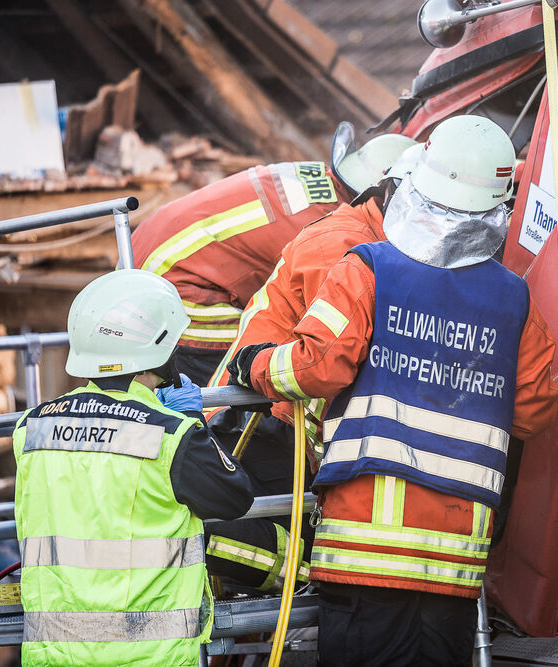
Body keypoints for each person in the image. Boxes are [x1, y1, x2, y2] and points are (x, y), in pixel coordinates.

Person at [225, 115, 558, 666]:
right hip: (456, 559)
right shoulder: (514, 301)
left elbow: (318, 366)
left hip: (364, 548)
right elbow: (533, 413)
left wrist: (255, 366)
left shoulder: (367, 269)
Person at [200, 142, 424, 593]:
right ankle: (321, 578)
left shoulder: (371, 241)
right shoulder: (343, 248)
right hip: (261, 420)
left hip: (279, 417)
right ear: (391, 192)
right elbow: (328, 362)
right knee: (314, 558)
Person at [12, 269, 254, 666]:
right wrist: (194, 423)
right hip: (147, 657)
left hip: (53, 657)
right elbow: (235, 497)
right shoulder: (171, 436)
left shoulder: (31, 429)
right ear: (159, 353)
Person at [131, 124, 416, 385]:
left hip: (146, 258)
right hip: (177, 289)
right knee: (252, 359)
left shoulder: (314, 175)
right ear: (385, 192)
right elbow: (327, 331)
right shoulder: (335, 229)